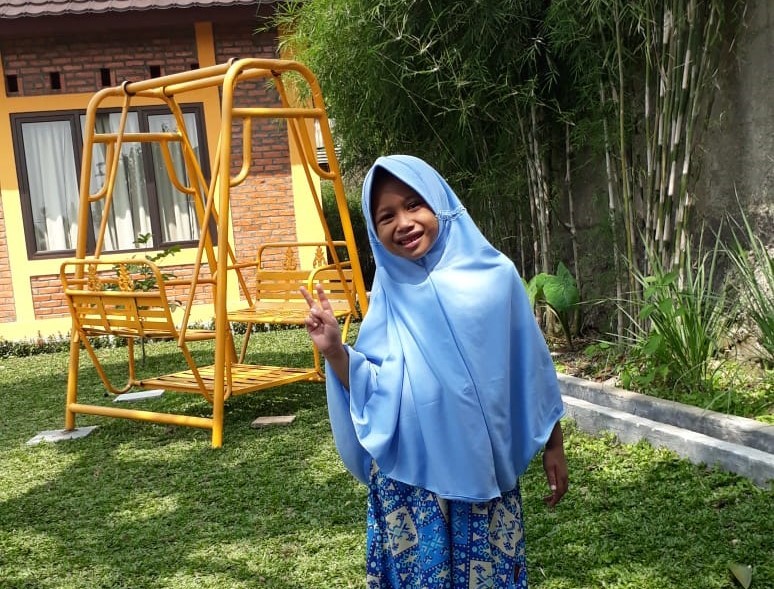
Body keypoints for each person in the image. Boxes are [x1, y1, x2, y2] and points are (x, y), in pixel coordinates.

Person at [301, 155, 568, 588]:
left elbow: (530, 367)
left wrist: (554, 444)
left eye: (414, 205)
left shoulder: (495, 278)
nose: (404, 223)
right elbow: (372, 386)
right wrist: (334, 351)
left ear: (439, 201)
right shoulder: (388, 296)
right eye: (386, 216)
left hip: (484, 477)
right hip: (412, 487)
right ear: (374, 230)